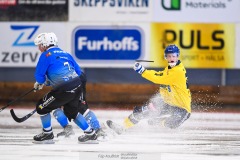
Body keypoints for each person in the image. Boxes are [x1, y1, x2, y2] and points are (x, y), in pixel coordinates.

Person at [33, 32, 103, 143]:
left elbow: (39, 76)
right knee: (72, 113)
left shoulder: (46, 55)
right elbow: (78, 72)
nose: (39, 47)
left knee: (41, 107)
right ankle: (90, 133)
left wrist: (41, 83)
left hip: (63, 89)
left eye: (40, 44)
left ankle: (47, 133)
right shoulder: (66, 53)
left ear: (46, 44)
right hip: (77, 86)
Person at [106, 44, 191, 134]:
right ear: (165, 57)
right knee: (141, 112)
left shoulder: (177, 71)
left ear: (178, 56)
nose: (171, 58)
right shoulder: (169, 69)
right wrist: (156, 105)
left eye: (173, 56)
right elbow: (160, 75)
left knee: (172, 123)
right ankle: (122, 127)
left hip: (182, 109)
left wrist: (143, 71)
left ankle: (158, 121)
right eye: (169, 56)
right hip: (169, 104)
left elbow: (159, 79)